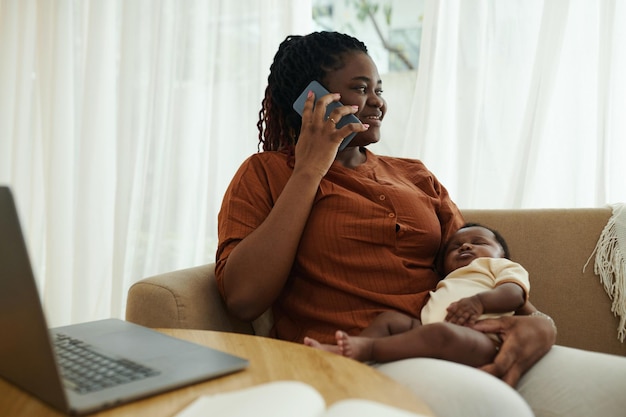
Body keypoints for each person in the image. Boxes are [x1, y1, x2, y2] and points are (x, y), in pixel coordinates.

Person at [215, 31, 626, 417]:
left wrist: (540, 325)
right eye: (361, 88)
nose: (377, 102)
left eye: (379, 89)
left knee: (617, 389)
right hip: (364, 354)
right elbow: (244, 299)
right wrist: (309, 170)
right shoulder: (267, 173)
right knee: (492, 407)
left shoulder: (414, 175)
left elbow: (476, 271)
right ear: (312, 100)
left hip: (459, 340)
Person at [303, 223, 530, 367]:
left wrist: (479, 302)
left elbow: (514, 293)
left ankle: (368, 350)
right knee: (390, 320)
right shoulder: (447, 279)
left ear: (502, 255)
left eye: (478, 242)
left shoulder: (499, 267)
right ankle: (350, 353)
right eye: (455, 247)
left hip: (483, 341)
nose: (465, 247)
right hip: (429, 331)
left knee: (441, 333)